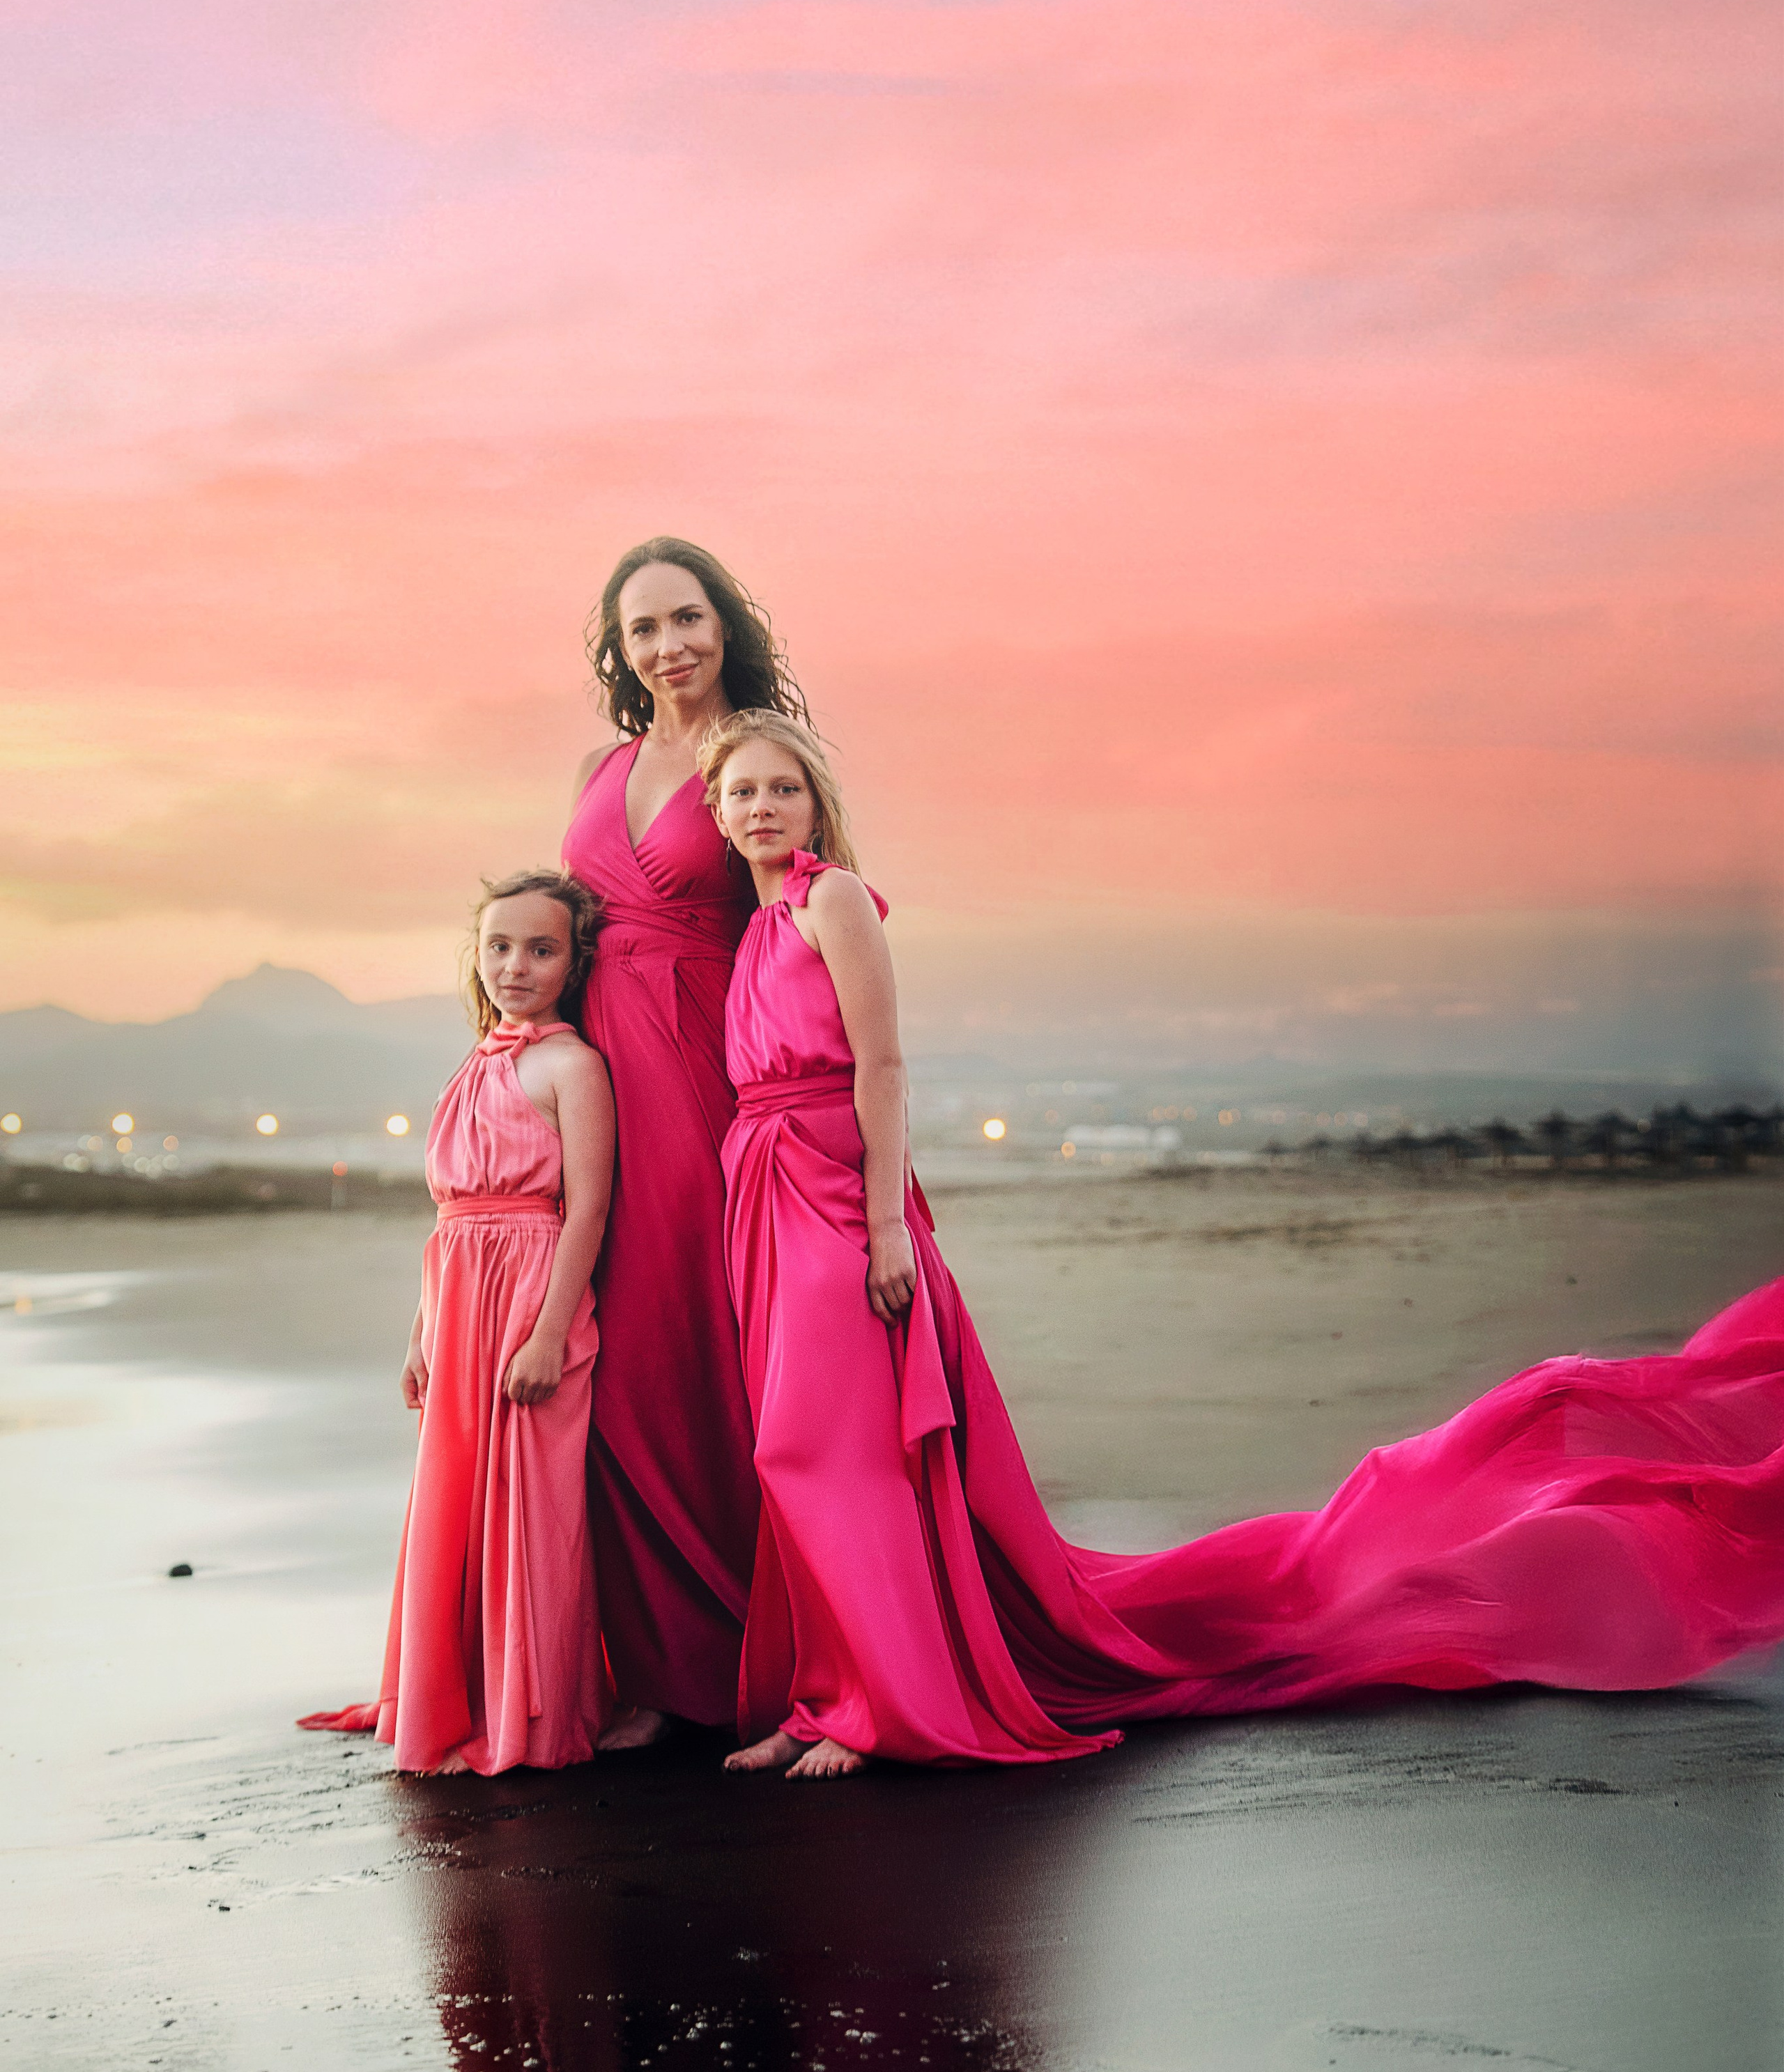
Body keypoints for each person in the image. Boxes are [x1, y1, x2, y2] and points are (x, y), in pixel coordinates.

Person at [702, 711, 1784, 1778]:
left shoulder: (834, 900)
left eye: (783, 788)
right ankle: (825, 1693)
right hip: (767, 1195)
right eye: (742, 792)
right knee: (791, 1452)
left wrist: (888, 1222)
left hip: (837, 1196)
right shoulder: (752, 931)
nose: (763, 807)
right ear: (716, 811)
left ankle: (875, 1706)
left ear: (816, 806)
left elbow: (884, 1067)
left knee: (834, 1450)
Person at [562, 538, 813, 1749]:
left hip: (705, 1067)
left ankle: (767, 1647)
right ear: (620, 650)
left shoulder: (757, 756)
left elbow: (803, 918)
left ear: (726, 627)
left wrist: (818, 1112)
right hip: (597, 1071)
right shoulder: (601, 767)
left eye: (687, 619)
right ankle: (661, 1665)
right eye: (644, 628)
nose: (668, 646)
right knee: (616, 1356)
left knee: (700, 1343)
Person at [300, 872, 615, 1775]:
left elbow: (589, 1211)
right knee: (456, 1504)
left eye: (541, 950)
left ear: (572, 964)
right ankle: (454, 1695)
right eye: (499, 947)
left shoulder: (573, 1067)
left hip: (529, 1297)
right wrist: (420, 1331)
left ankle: (528, 1711)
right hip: (459, 1303)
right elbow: (450, 1220)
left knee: (530, 1510)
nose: (517, 966)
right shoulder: (474, 1062)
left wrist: (549, 1334)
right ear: (476, 957)